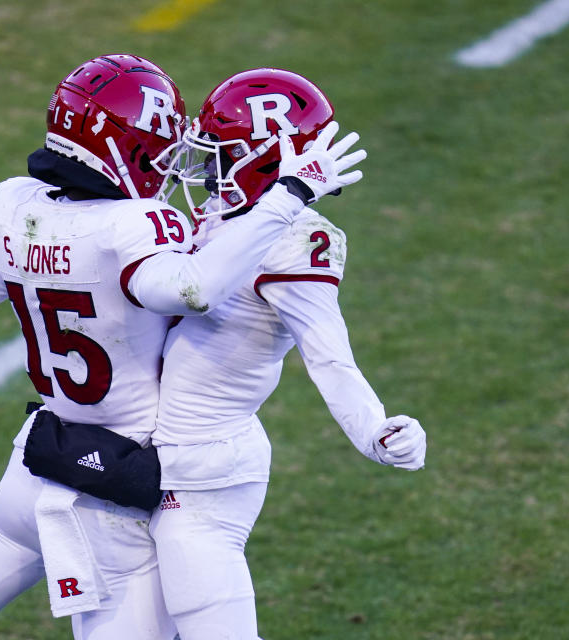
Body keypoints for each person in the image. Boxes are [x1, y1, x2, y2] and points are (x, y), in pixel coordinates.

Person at [0, 55, 366, 640]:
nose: (168, 166)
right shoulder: (135, 228)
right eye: (156, 149)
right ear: (124, 149)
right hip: (111, 495)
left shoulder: (14, 212)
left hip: (35, 467)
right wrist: (289, 195)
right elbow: (196, 288)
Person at [143, 68, 429, 639]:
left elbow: (329, 354)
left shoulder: (294, 239)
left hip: (207, 469)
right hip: (151, 457)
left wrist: (373, 429)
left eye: (222, 156)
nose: (206, 171)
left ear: (268, 163)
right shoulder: (221, 215)